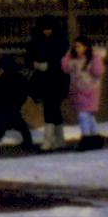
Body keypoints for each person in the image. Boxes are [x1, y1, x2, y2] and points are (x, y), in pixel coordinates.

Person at [21, 17, 70, 151]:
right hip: (44, 80)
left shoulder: (61, 42)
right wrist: (36, 64)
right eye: (44, 29)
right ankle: (59, 140)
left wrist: (48, 65)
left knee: (51, 108)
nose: (47, 32)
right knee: (52, 108)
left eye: (49, 29)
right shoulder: (36, 42)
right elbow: (28, 59)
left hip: (57, 79)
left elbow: (64, 60)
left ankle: (49, 141)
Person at [63, 38, 108, 149]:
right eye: (75, 46)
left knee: (84, 115)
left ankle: (86, 138)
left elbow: (98, 72)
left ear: (86, 47)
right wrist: (68, 55)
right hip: (78, 91)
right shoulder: (74, 59)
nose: (76, 49)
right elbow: (65, 68)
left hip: (90, 91)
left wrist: (96, 59)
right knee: (88, 116)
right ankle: (94, 137)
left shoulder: (93, 58)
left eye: (79, 46)